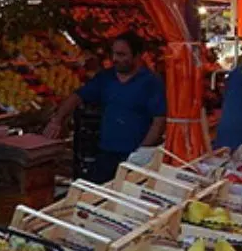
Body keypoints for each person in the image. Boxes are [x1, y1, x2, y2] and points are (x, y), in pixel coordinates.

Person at [44, 32, 166, 183]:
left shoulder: (151, 82)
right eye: (114, 54)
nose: (115, 59)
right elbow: (77, 96)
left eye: (122, 55)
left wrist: (143, 151)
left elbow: (159, 119)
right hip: (106, 153)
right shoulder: (106, 78)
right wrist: (57, 120)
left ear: (138, 55)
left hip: (134, 156)